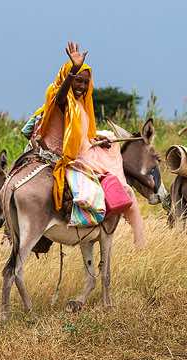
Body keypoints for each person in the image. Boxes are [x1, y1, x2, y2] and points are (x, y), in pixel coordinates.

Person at [32, 41, 146, 247]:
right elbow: (61, 96)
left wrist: (96, 140)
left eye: (85, 83)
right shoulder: (59, 98)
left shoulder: (81, 106)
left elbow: (83, 135)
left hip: (81, 149)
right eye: (78, 81)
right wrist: (74, 69)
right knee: (116, 180)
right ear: (68, 78)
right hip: (68, 155)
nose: (82, 87)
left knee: (110, 140)